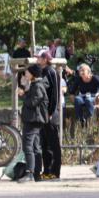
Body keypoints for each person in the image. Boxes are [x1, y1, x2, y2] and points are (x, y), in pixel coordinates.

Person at [17, 64, 49, 183]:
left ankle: (30, 173)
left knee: (28, 146)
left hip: (33, 120)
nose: (25, 74)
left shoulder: (38, 86)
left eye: (27, 72)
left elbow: (32, 103)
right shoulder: (36, 85)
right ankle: (36, 173)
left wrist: (23, 94)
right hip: (34, 119)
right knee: (35, 147)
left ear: (33, 74)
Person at [37, 51, 63, 180]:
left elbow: (54, 94)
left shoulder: (50, 71)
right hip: (44, 112)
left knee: (53, 144)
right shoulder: (43, 71)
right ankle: (46, 170)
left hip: (50, 113)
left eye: (39, 57)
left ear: (45, 59)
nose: (37, 59)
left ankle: (54, 171)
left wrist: (51, 111)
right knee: (45, 143)